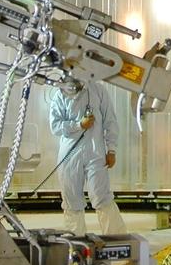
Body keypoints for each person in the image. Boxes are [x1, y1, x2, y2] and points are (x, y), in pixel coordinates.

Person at [48, 79, 127, 236]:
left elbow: (110, 121)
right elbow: (55, 126)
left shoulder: (98, 90)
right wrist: (79, 125)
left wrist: (111, 150)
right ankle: (75, 241)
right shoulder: (59, 95)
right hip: (69, 155)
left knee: (102, 197)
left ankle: (116, 238)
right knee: (72, 200)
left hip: (95, 153)